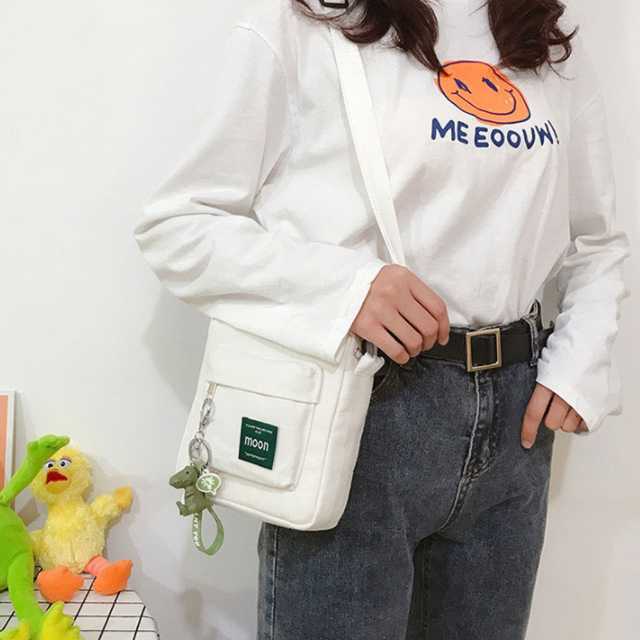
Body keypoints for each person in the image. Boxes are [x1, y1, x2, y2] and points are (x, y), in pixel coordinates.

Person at [132, 0, 632, 637]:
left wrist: (579, 362)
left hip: (516, 425)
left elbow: (596, 240)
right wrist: (349, 288)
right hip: (364, 413)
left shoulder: (544, 41)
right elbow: (178, 226)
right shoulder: (308, 23)